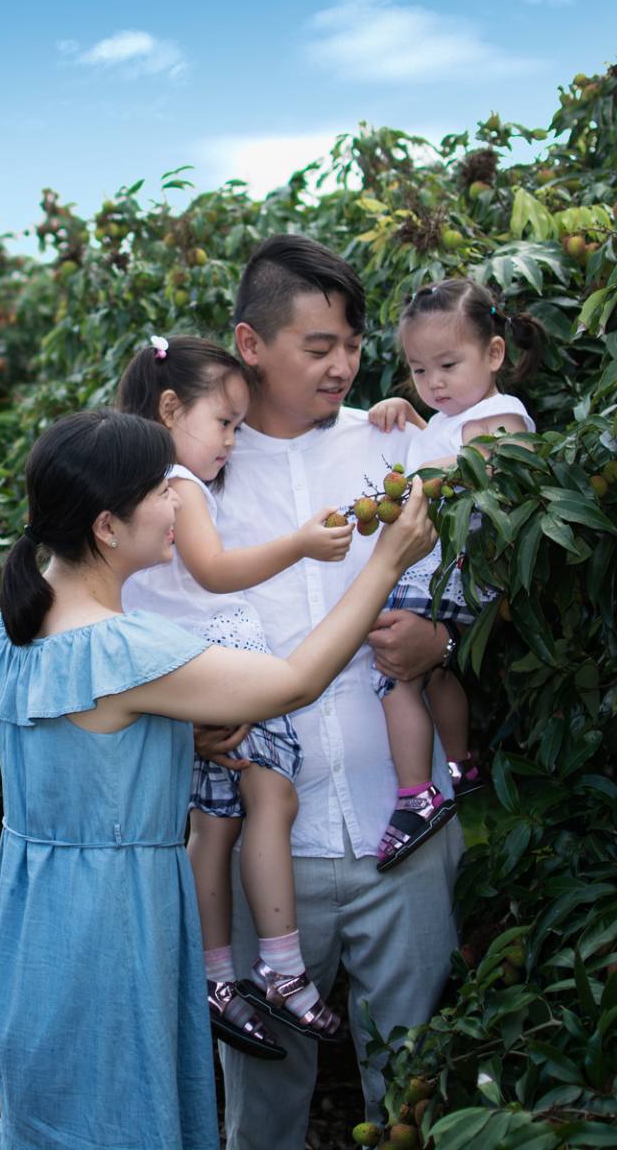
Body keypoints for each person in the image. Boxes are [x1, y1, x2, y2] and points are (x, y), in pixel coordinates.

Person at [0, 408, 435, 1150]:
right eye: (162, 490)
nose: (179, 502)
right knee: (119, 1111)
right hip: (114, 919)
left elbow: (78, 744)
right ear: (105, 526)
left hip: (40, 917)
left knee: (58, 1108)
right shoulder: (125, 650)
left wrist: (171, 735)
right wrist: (387, 561)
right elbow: (291, 683)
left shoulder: (19, 622)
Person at [210, 235, 471, 1149]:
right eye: (317, 347)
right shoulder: (198, 474)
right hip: (260, 850)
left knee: (417, 1092)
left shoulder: (394, 447)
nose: (343, 364)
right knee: (263, 1106)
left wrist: (442, 636)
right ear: (251, 345)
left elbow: (473, 587)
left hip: (401, 833)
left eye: (352, 345)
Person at [114, 334, 355, 1060]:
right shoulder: (178, 485)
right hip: (222, 663)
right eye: (224, 423)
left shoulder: (127, 491)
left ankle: (217, 978)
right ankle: (283, 967)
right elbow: (215, 572)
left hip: (177, 678)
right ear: (169, 408)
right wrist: (300, 544)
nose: (232, 440)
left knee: (211, 830)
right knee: (274, 800)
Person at [362, 277, 544, 869]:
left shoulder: (501, 414)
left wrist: (412, 473)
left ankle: (417, 793)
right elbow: (439, 444)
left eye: (447, 364)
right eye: (418, 371)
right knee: (434, 674)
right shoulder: (448, 416)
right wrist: (410, 417)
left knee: (393, 678)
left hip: (459, 568)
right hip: (441, 568)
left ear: (493, 354)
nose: (433, 382)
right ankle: (460, 765)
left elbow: (479, 462)